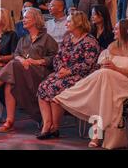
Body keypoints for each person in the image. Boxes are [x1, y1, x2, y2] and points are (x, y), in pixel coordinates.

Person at [55, 20, 128, 149]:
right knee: (103, 89)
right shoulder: (112, 47)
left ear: (126, 31)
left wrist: (116, 68)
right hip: (108, 85)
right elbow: (102, 66)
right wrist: (109, 68)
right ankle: (98, 134)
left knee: (104, 75)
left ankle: (74, 96)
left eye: (116, 29)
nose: (113, 31)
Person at [0, 8, 58, 132]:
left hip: (39, 73)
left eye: (26, 17)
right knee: (10, 81)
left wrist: (36, 61)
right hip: (22, 71)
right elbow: (16, 54)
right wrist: (22, 60)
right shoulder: (24, 39)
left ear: (36, 20)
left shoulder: (47, 39)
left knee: (12, 65)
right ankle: (9, 120)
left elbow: (54, 58)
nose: (23, 20)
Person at [36, 11, 100, 140]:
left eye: (70, 21)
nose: (67, 23)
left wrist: (69, 71)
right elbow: (57, 57)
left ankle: (55, 127)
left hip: (82, 76)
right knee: (43, 86)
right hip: (63, 73)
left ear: (79, 23)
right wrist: (61, 69)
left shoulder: (90, 41)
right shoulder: (67, 38)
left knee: (55, 88)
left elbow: (88, 64)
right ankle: (47, 124)